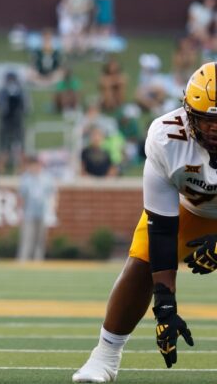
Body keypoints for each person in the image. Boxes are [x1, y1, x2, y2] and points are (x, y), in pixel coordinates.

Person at [72, 62, 217, 382]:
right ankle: (105, 356)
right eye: (208, 121)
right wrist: (165, 306)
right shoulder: (167, 139)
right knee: (141, 262)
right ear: (188, 114)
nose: (215, 130)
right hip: (192, 210)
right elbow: (162, 230)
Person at [17, 155, 55, 262]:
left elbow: (52, 195)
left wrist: (52, 210)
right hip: (29, 213)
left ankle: (38, 261)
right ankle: (23, 260)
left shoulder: (47, 178)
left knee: (40, 239)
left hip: (43, 212)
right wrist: (19, 211)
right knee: (27, 238)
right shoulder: (25, 178)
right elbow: (21, 196)